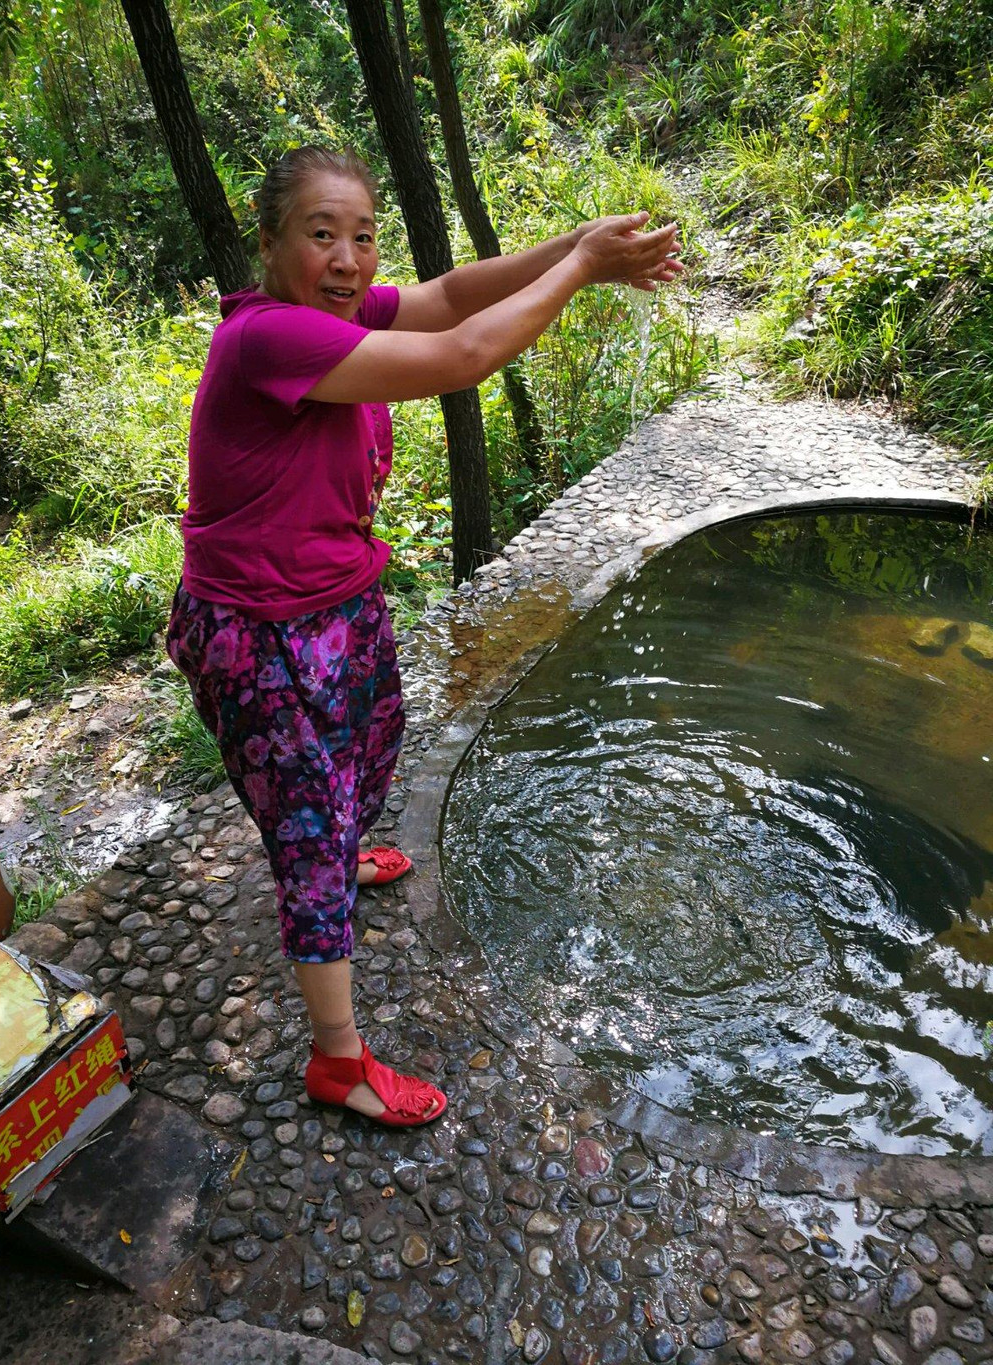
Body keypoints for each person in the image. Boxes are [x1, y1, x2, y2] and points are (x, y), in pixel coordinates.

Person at [167, 145, 684, 1128]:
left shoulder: (338, 314)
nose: (350, 257)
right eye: (322, 234)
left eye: (363, 235)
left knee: (371, 745)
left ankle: (339, 847)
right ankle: (338, 1062)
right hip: (259, 633)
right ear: (270, 240)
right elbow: (462, 356)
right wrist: (581, 272)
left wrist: (568, 242)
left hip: (335, 602)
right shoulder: (269, 339)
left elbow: (448, 298)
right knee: (309, 830)